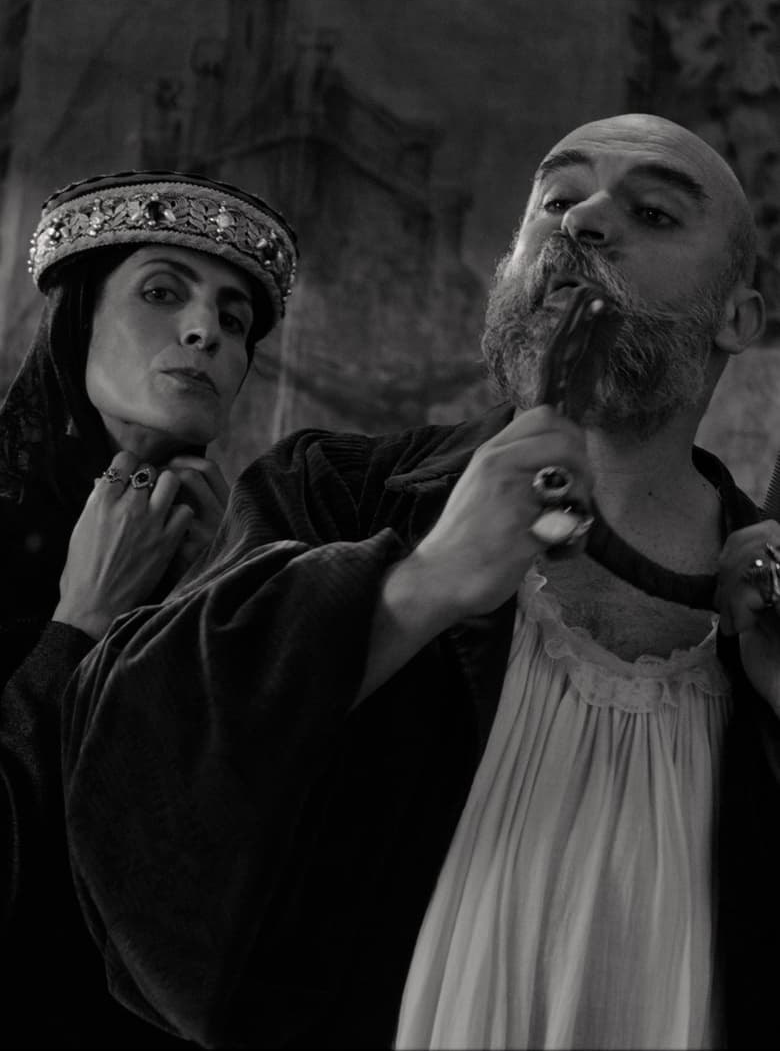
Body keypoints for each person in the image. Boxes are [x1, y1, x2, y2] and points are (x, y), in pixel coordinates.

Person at [61, 116, 780, 1050]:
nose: (582, 221)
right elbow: (133, 766)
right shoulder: (333, 493)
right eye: (557, 200)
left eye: (652, 212)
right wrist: (421, 584)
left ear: (739, 318)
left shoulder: (766, 601)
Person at [0, 169, 297, 1047]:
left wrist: (224, 600)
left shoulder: (263, 561)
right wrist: (82, 622)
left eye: (234, 322)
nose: (206, 332)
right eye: (163, 293)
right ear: (78, 320)